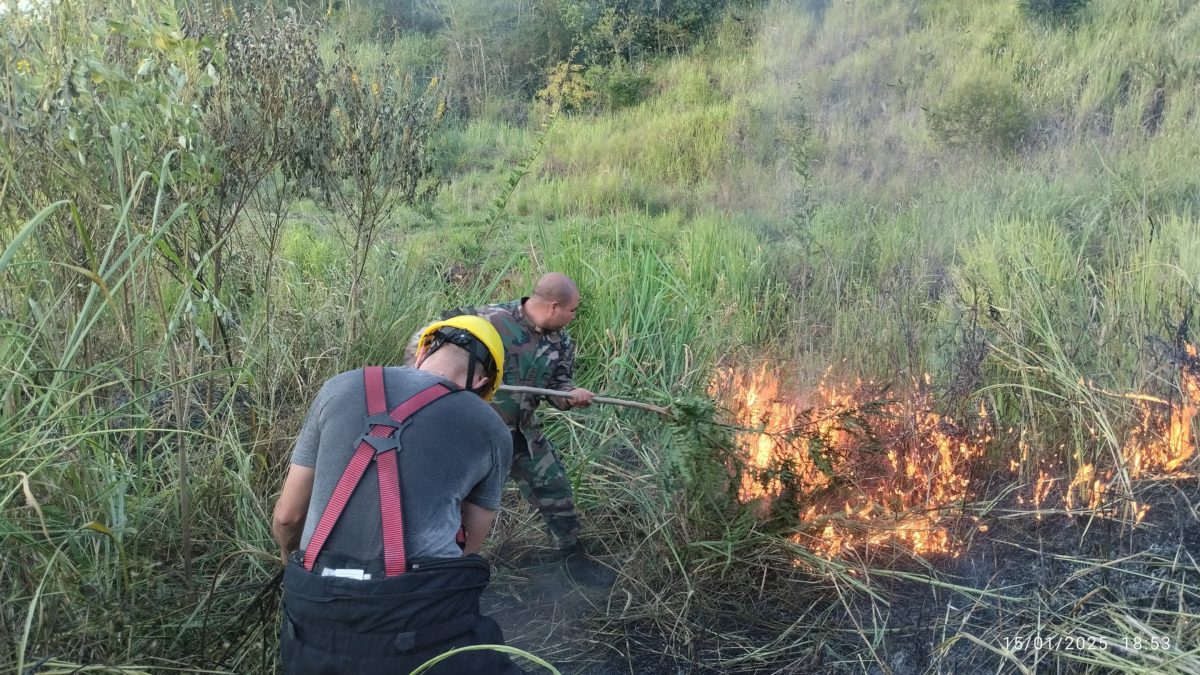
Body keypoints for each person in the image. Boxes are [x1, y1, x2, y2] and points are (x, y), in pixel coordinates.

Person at [272, 316, 523, 674]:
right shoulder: (491, 428)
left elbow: (287, 517)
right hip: (417, 615)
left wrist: (293, 569)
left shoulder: (337, 388)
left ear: (422, 350)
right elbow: (469, 546)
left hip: (312, 607)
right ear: (482, 383)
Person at [412, 273, 614, 587]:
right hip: (474, 435)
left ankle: (574, 561)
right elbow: (425, 345)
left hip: (523, 437)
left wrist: (572, 395)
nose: (574, 317)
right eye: (572, 310)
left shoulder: (562, 342)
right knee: (453, 502)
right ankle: (443, 571)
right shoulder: (486, 320)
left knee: (557, 492)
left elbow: (558, 390)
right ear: (553, 306)